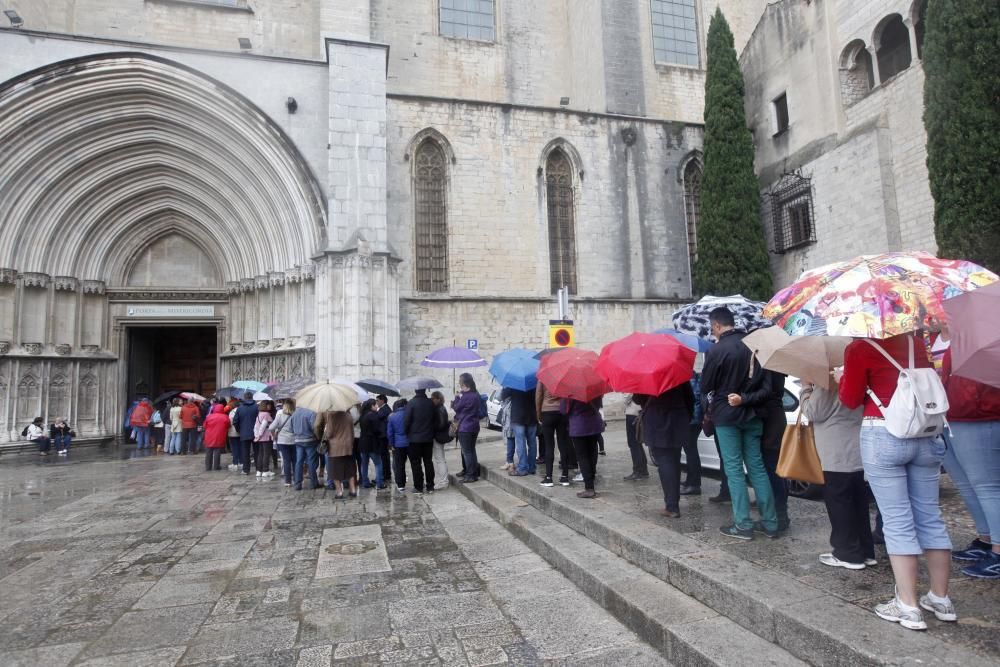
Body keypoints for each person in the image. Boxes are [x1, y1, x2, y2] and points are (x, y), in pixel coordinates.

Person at [840, 333, 955, 631]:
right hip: (926, 433)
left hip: (883, 432)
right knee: (930, 516)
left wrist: (843, 377)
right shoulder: (915, 343)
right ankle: (941, 599)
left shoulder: (859, 348)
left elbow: (850, 399)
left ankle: (908, 605)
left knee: (897, 519)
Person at [700, 307, 778, 540]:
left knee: (734, 469)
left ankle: (743, 525)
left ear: (716, 325)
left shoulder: (717, 350)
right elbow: (767, 389)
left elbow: (705, 387)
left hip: (726, 416)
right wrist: (745, 398)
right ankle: (771, 523)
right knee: (757, 468)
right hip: (752, 414)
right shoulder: (754, 346)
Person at [939, 339, 1000, 579]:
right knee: (968, 484)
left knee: (986, 485)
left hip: (978, 414)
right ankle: (987, 538)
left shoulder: (983, 335)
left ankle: (997, 549)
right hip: (953, 415)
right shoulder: (949, 338)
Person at [801, 381, 872, 570]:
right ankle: (865, 551)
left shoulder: (827, 382)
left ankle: (847, 552)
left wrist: (806, 389)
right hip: (856, 448)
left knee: (839, 503)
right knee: (858, 503)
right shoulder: (853, 377)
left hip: (835, 450)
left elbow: (813, 411)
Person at [740, 368, 791, 532]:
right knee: (776, 468)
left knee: (771, 469)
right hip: (776, 417)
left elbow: (765, 393)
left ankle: (778, 516)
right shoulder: (779, 366)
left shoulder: (768, 367)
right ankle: (781, 514)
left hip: (769, 420)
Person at [635, 383, 695, 517]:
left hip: (656, 421)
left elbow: (638, 400)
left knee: (665, 463)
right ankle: (673, 503)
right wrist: (686, 416)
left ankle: (672, 506)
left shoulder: (646, 375)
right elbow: (690, 398)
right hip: (678, 420)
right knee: (675, 461)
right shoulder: (678, 375)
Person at [564, 396, 604, 498]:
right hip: (594, 425)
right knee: (592, 453)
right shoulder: (596, 391)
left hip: (579, 427)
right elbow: (599, 405)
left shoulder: (571, 393)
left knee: (582, 457)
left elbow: (564, 410)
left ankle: (589, 488)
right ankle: (592, 480)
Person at [536, 379, 574, 486]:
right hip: (561, 412)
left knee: (549, 445)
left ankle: (548, 478)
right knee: (563, 444)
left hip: (547, 412)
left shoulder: (543, 377)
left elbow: (538, 396)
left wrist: (539, 414)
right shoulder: (563, 378)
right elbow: (569, 396)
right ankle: (565, 477)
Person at [316, 409, 357, 499]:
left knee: (335, 470)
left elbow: (329, 434)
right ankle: (353, 490)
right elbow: (352, 432)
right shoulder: (348, 416)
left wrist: (326, 429)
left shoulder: (331, 416)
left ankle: (339, 492)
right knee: (349, 469)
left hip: (336, 447)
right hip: (348, 446)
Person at [404, 388, 437, 493]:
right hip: (428, 438)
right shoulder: (430, 403)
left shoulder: (411, 403)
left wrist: (406, 432)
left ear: (415, 391)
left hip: (414, 439)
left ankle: (418, 486)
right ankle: (430, 485)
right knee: (428, 462)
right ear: (425, 391)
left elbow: (406, 421)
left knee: (415, 463)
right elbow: (434, 418)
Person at [451, 374, 482, 484]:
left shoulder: (464, 396)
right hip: (474, 426)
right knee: (471, 450)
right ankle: (473, 472)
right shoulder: (476, 394)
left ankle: (470, 475)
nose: (459, 383)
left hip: (465, 426)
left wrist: (456, 398)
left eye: (460, 381)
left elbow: (455, 407)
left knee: (467, 452)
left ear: (463, 383)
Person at [502, 386, 538, 477]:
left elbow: (503, 396)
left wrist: (505, 386)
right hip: (532, 415)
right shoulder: (533, 381)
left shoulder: (513, 382)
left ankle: (522, 468)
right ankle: (532, 467)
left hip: (518, 416)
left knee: (520, 442)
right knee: (532, 442)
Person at [680, 373, 703, 495]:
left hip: (692, 418)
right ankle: (690, 480)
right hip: (694, 417)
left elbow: (694, 396)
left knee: (691, 450)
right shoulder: (691, 374)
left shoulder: (689, 376)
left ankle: (694, 484)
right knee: (690, 449)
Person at [289, 405, 320, 490]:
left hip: (298, 440)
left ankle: (297, 484)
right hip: (310, 440)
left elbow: (290, 428)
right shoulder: (311, 413)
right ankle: (314, 483)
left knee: (299, 462)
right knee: (311, 461)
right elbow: (314, 427)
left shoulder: (294, 413)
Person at [269, 399, 297, 488]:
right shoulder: (295, 416)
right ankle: (296, 479)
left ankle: (288, 481)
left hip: (282, 441)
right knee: (295, 461)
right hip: (294, 441)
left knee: (286, 460)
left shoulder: (279, 416)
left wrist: (275, 433)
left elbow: (271, 427)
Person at [358, 399, 386, 489]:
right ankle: (380, 483)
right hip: (372, 443)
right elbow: (377, 429)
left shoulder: (362, 416)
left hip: (363, 442)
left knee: (364, 464)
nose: (377, 406)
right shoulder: (373, 416)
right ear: (371, 406)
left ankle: (365, 482)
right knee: (378, 463)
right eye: (375, 405)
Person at [232, 391, 260, 476]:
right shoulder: (256, 407)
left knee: (245, 452)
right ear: (252, 397)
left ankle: (246, 470)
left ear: (244, 398)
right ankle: (258, 469)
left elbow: (235, 421)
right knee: (257, 452)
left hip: (244, 432)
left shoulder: (240, 408)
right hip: (256, 433)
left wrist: (239, 430)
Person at [623, 395, 649, 481]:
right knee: (637, 443)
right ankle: (643, 470)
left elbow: (626, 399)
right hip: (637, 412)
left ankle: (638, 471)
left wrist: (624, 399)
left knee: (633, 444)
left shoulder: (630, 382)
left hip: (632, 414)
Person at [386, 398, 410, 494]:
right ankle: (419, 483)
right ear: (405, 405)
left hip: (398, 444)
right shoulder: (409, 415)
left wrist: (391, 444)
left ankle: (401, 485)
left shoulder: (392, 417)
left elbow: (390, 433)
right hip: (410, 442)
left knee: (399, 464)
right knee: (414, 462)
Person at [430, 391, 451, 488]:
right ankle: (443, 480)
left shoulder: (439, 409)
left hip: (438, 436)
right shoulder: (441, 407)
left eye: (433, 398)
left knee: (439, 459)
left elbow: (441, 424)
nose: (432, 400)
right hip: (439, 436)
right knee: (440, 458)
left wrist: (432, 427)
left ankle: (443, 481)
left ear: (438, 399)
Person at [202, 404, 230, 471]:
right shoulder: (225, 417)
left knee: (208, 451)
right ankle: (216, 466)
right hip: (219, 436)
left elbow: (204, 426)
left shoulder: (209, 416)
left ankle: (208, 467)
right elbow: (228, 425)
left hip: (209, 436)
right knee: (217, 451)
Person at [253, 400, 276, 478]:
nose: (270, 406)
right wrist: (259, 435)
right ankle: (266, 470)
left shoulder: (259, 414)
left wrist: (257, 436)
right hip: (266, 437)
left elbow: (256, 426)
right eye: (268, 405)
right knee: (266, 454)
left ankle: (259, 471)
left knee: (260, 454)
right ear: (265, 406)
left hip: (260, 438)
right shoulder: (266, 414)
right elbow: (263, 426)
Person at [376, 395, 393, 486]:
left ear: (382, 401)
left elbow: (378, 417)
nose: (376, 402)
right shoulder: (383, 409)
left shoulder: (385, 409)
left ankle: (385, 476)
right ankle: (385, 475)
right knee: (384, 456)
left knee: (384, 457)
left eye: (377, 400)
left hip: (383, 436)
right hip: (383, 436)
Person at [498, 394, 515, 472]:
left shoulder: (510, 403)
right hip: (509, 426)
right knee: (510, 444)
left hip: (510, 427)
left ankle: (509, 462)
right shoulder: (507, 402)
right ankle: (509, 462)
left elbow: (499, 397)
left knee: (510, 444)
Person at [225, 398, 241, 469]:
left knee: (234, 448)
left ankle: (235, 463)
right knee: (241, 448)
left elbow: (229, 423)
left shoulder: (231, 413)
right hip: (240, 432)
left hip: (232, 433)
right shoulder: (241, 411)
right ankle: (241, 462)